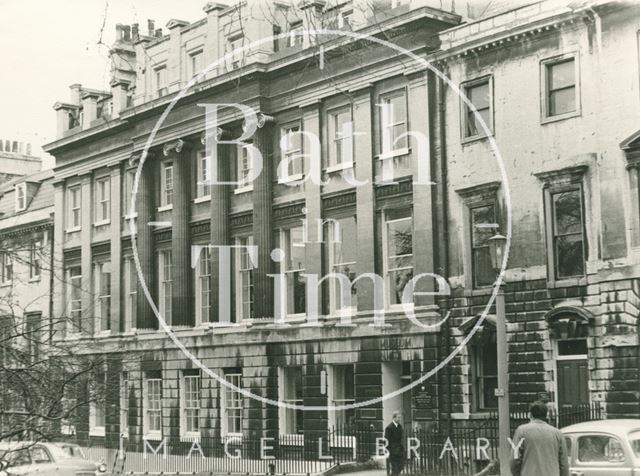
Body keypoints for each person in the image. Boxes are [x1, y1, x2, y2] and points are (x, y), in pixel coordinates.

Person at [510, 401, 569, 476]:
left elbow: (515, 459)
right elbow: (564, 464)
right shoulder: (557, 433)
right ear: (546, 415)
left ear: (530, 415)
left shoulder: (521, 431)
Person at [384, 411, 405, 476]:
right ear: (394, 418)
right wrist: (388, 451)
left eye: (400, 418)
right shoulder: (389, 428)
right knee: (395, 469)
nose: (399, 419)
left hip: (400, 451)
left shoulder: (400, 426)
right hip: (393, 452)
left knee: (401, 466)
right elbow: (386, 440)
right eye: (398, 417)